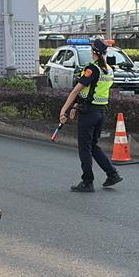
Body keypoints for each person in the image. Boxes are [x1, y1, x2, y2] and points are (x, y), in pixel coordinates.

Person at [58, 38, 123, 193]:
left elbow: (77, 90)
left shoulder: (92, 69)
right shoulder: (109, 69)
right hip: (100, 113)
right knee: (93, 146)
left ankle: (87, 182)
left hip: (88, 114)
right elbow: (91, 91)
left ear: (94, 52)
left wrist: (63, 110)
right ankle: (112, 173)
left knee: (84, 148)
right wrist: (75, 106)